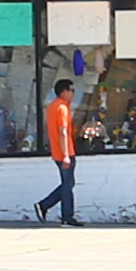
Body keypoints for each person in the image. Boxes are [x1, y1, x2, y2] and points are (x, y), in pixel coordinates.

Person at [36, 79, 82, 226]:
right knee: (68, 185)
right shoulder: (62, 108)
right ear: (64, 92)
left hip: (57, 151)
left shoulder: (51, 106)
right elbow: (63, 132)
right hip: (64, 152)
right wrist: (66, 155)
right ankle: (65, 216)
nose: (73, 94)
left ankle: (46, 206)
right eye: (71, 90)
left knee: (68, 183)